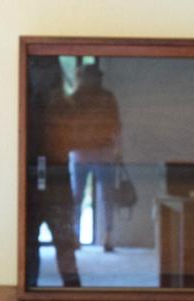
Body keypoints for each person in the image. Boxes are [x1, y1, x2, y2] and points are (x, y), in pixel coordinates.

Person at [25, 56, 82, 287]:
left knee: (65, 244)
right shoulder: (24, 104)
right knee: (29, 247)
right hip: (29, 180)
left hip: (56, 179)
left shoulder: (65, 106)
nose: (41, 75)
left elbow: (71, 142)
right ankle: (29, 294)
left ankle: (73, 298)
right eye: (36, 68)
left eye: (44, 69)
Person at [66, 63, 123, 252]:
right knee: (102, 197)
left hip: (86, 152)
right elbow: (116, 125)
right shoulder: (105, 98)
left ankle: (81, 236)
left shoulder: (76, 98)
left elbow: (115, 125)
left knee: (79, 197)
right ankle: (105, 236)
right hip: (97, 152)